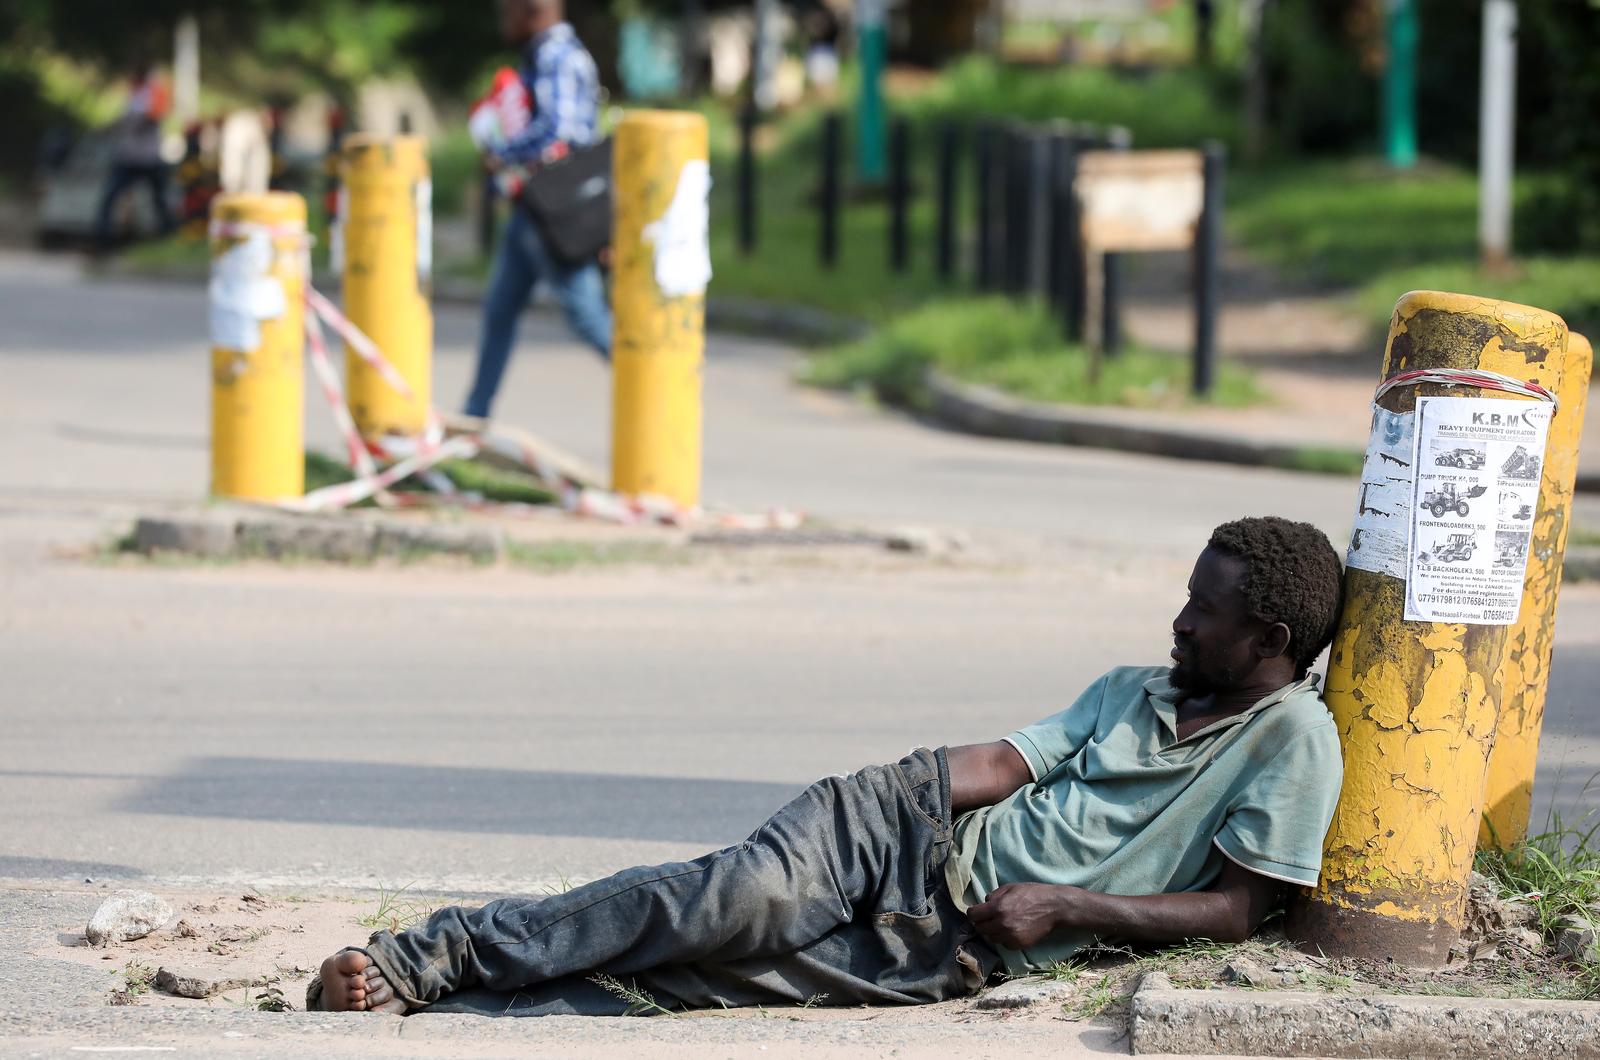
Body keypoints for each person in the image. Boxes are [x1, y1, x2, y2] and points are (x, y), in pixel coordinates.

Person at [309, 516, 1346, 1016]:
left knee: (693, 983)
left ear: (1265, 635)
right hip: (901, 831)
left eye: (1202, 611)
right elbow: (999, 762)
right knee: (729, 900)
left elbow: (1235, 910)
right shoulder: (1135, 683)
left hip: (964, 939)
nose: (1178, 619)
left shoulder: (1291, 740)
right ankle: (423, 958)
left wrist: (1064, 906)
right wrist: (868, 812)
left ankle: (443, 1006)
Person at [464, 0, 612, 423]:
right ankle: (473, 419)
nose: (501, 17)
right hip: (532, 207)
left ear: (533, 10)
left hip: (553, 210)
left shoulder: (556, 56)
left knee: (588, 316)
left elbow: (559, 131)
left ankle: (657, 388)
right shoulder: (545, 55)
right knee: (499, 311)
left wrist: (501, 152)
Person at [94, 60, 174, 252]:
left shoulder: (153, 92)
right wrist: (109, 129)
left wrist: (135, 123)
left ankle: (168, 236)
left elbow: (153, 116)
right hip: (129, 156)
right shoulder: (134, 95)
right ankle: (104, 239)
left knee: (159, 199)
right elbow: (125, 120)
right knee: (110, 197)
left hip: (147, 158)